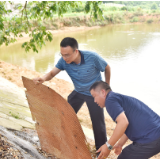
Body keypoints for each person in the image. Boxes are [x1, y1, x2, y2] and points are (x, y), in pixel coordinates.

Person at [33, 37, 111, 151]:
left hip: (94, 94)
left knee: (98, 123)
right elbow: (51, 73)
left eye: (67, 55)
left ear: (76, 51)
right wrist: (43, 78)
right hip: (78, 92)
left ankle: (101, 150)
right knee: (64, 115)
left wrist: (106, 88)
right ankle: (63, 140)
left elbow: (107, 68)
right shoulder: (63, 61)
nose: (64, 58)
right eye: (62, 55)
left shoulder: (92, 57)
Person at [90, 81, 160, 159]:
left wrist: (108, 146)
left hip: (151, 137)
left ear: (103, 92)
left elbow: (123, 123)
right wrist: (120, 144)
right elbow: (127, 124)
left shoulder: (110, 100)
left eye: (94, 96)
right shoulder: (117, 98)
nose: (94, 101)